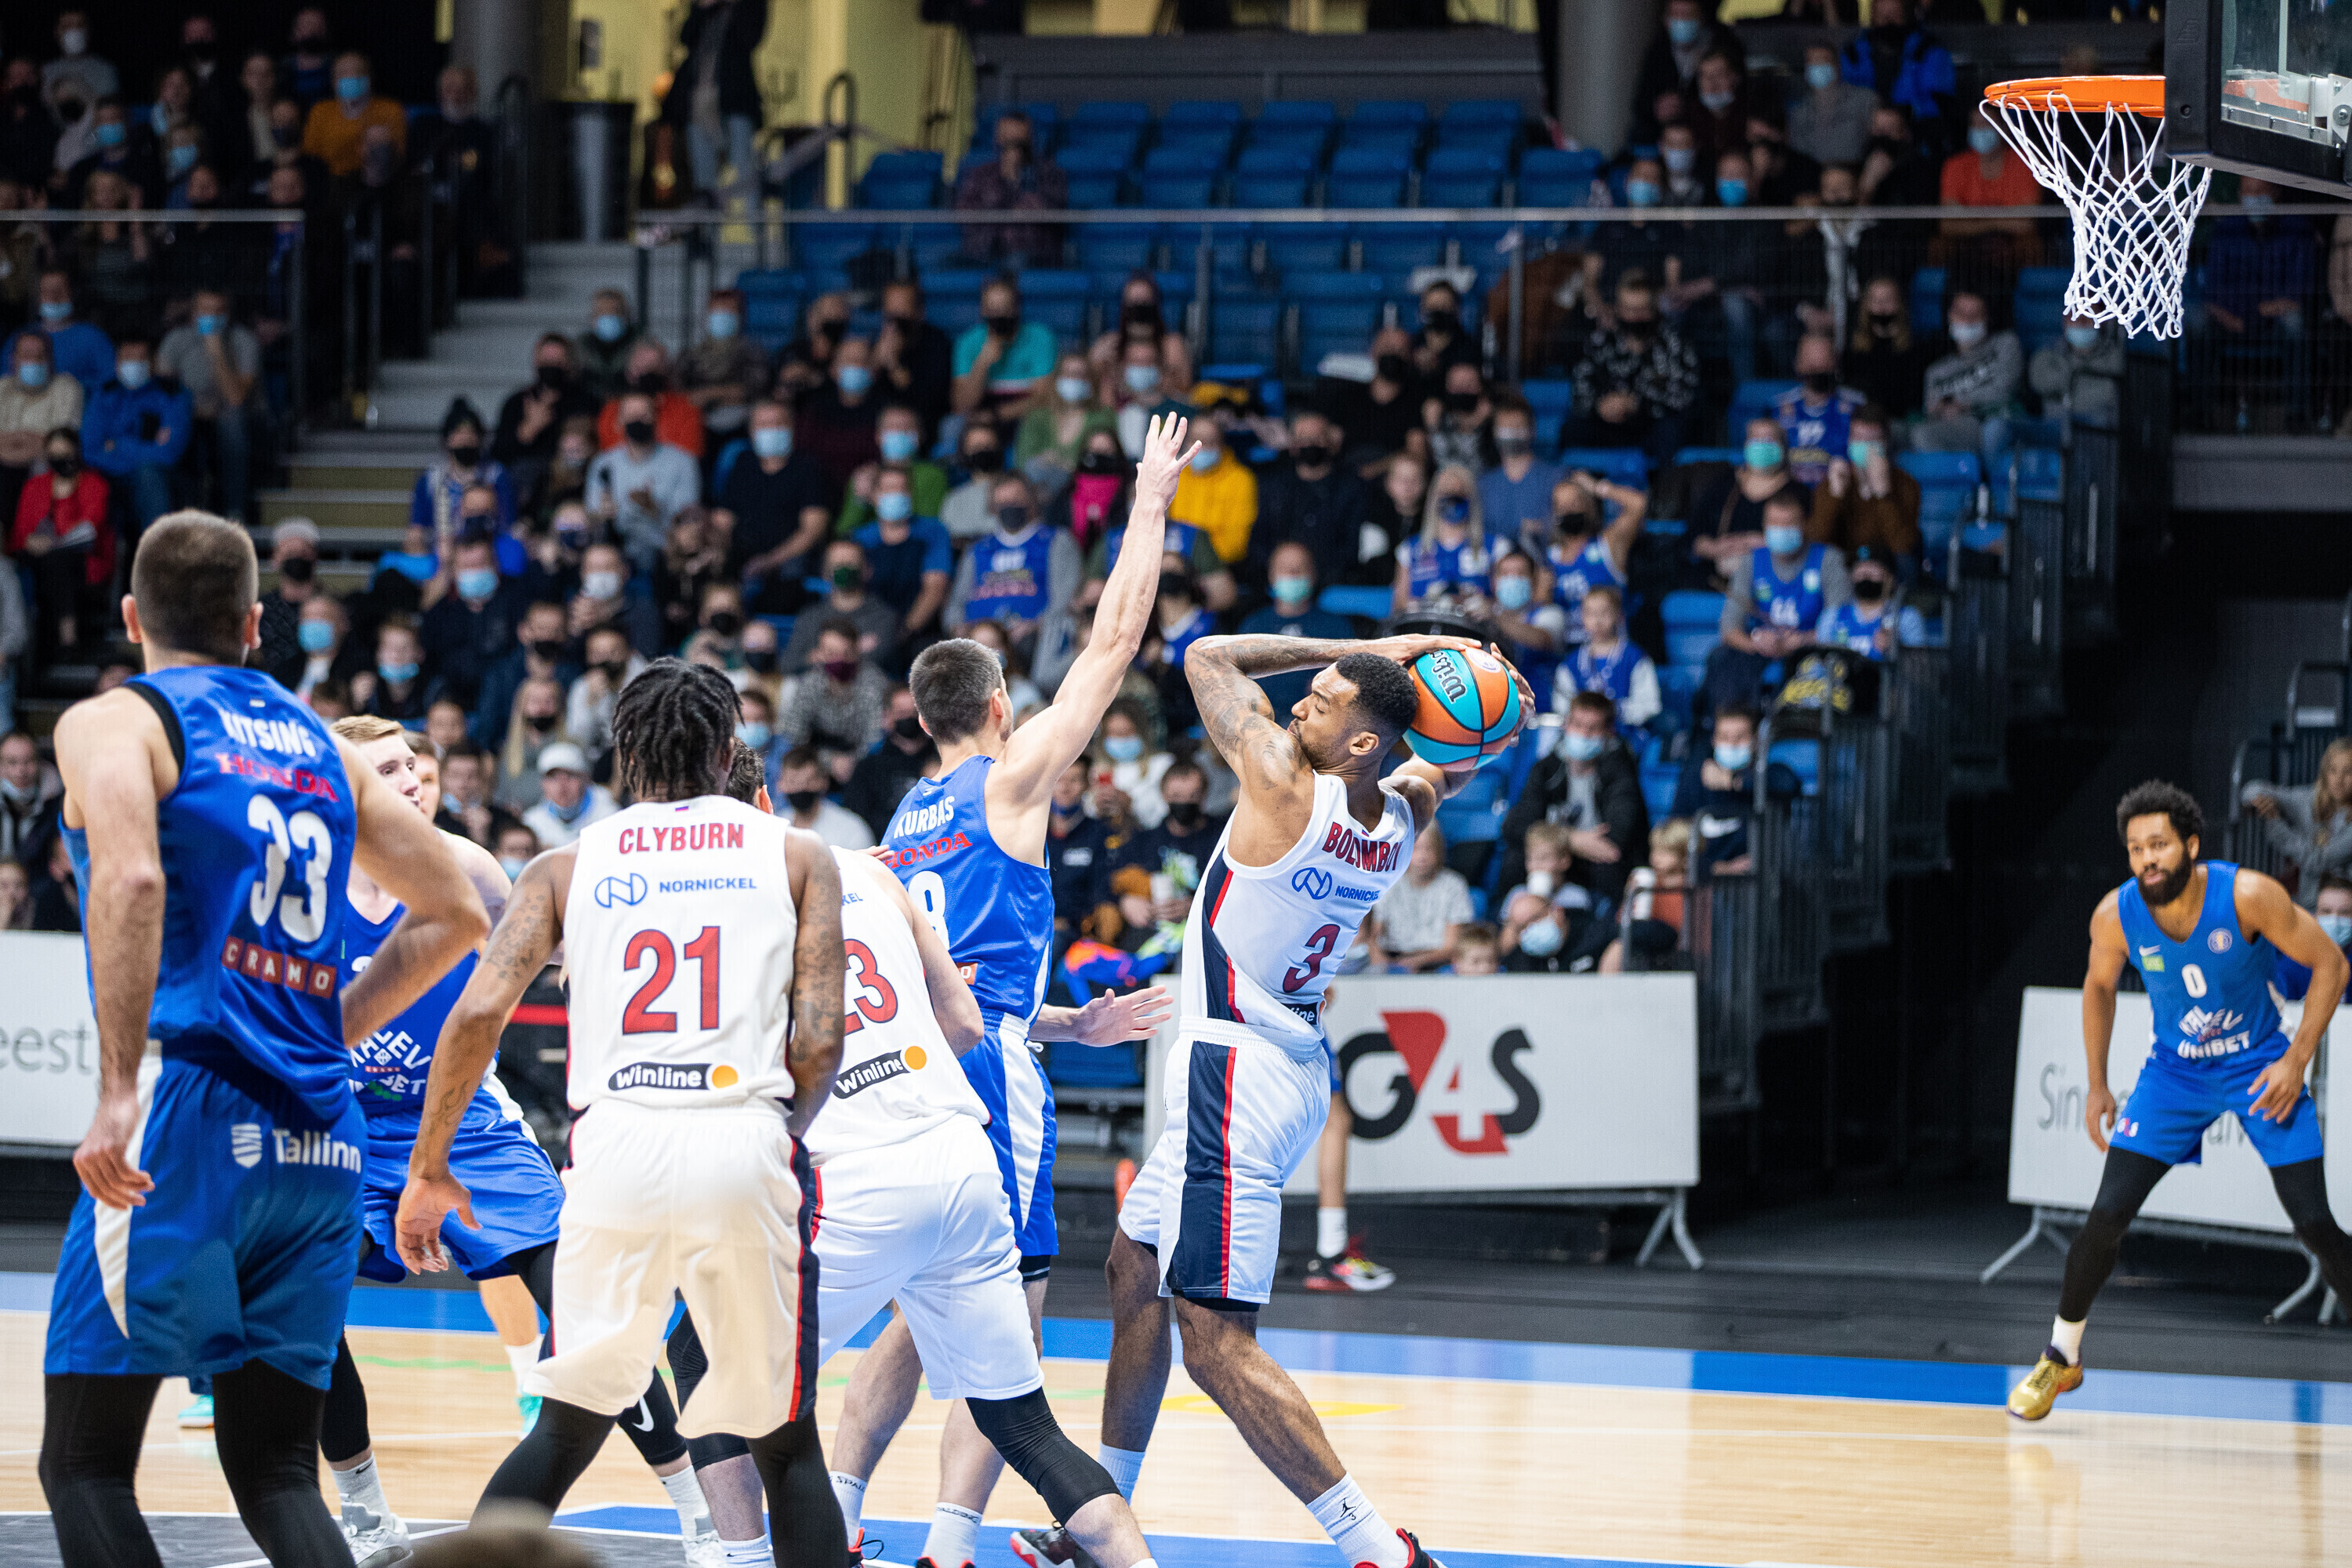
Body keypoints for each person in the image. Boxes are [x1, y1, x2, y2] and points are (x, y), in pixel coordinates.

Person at [38, 511, 486, 1568]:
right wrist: (331, 1030)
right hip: (324, 1133)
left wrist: (117, 1087)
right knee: (279, 1473)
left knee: (85, 1465)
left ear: (132, 616)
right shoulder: (323, 745)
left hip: (191, 1106)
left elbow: (131, 877)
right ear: (252, 623)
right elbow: (458, 909)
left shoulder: (118, 721)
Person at [1029, 623, 1512, 1568]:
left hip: (1235, 1073)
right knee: (1134, 1267)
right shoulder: (1398, 817)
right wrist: (1491, 721)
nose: (1299, 705)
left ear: (1361, 741)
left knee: (1215, 1338)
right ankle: (1100, 1519)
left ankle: (1382, 1549)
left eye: (1322, 701)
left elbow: (1206, 655)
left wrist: (1388, 643)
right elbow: (1445, 767)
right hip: (1281, 1065)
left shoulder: (1285, 785)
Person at [833, 416, 1202, 1563]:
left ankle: (835, 1517)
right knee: (1009, 1325)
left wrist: (1066, 1019)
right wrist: (1148, 503)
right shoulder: (1009, 782)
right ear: (999, 708)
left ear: (919, 717)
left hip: (905, 1066)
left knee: (917, 1311)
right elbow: (1115, 642)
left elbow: (945, 977)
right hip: (987, 1078)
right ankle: (951, 1542)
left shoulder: (902, 820)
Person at [394, 659, 849, 1565]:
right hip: (739, 1132)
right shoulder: (798, 853)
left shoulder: (565, 864)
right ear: (726, 751)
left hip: (614, 1147)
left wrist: (429, 1165)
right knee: (786, 1439)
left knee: (566, 1423)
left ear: (624, 753)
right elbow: (823, 1033)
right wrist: (778, 1127)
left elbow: (476, 1015)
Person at [318, 718, 717, 1565]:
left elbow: (564, 949)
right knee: (298, 1308)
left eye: (412, 765)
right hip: (350, 1130)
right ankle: (365, 1512)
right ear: (341, 784)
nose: (410, 780)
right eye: (386, 769)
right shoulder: (308, 884)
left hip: (468, 1127)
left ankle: (701, 1515)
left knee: (591, 1318)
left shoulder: (468, 867)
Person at [2008, 782, 2352, 1421]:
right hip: (2176, 1074)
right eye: (2136, 848)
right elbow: (2099, 986)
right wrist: (2097, 1082)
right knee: (2107, 1213)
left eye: (2159, 845)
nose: (2148, 859)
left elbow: (2331, 964)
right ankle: (2061, 1356)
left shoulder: (2247, 895)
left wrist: (2295, 1059)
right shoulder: (2115, 915)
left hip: (2256, 1065)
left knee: (2314, 1224)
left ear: (2191, 845)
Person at [1705, 489, 1851, 713]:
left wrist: (1802, 641)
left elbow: (1843, 624)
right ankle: (1735, 725)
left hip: (1812, 651)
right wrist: (1757, 642)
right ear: (1764, 526)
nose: (1781, 531)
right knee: (1722, 659)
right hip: (1761, 651)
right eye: (1775, 524)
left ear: (1804, 524)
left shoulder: (1828, 560)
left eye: (1788, 524)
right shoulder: (1751, 561)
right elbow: (1729, 628)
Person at [154, 289, 260, 524]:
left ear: (228, 315)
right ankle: (184, 515)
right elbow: (161, 392)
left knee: (232, 422)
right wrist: (191, 411)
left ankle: (235, 511)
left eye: (218, 311)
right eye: (205, 310)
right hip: (188, 414)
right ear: (194, 313)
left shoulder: (243, 341)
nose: (211, 316)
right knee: (174, 429)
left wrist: (216, 351)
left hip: (233, 418)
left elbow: (235, 398)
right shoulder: (176, 340)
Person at [1567, 272, 1697, 461]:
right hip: (1607, 425)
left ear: (1654, 310)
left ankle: (1664, 480)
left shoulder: (1675, 345)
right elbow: (1579, 390)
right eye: (1628, 310)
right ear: (1618, 309)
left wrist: (1636, 404)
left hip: (1651, 427)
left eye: (1641, 310)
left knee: (1673, 430)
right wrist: (1600, 406)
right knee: (1573, 428)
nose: (1634, 318)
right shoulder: (1600, 343)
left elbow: (1683, 397)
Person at [946, 470, 1083, 643]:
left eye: (1016, 500)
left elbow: (1066, 598)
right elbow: (957, 602)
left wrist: (1037, 625)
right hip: (979, 639)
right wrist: (959, 628)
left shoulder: (1056, 540)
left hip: (1034, 639)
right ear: (993, 506)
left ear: (1030, 500)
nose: (1010, 507)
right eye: (1003, 502)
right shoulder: (978, 549)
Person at [13, 424, 112, 658]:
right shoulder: (34, 486)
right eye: (54, 455)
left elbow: (92, 527)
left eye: (66, 453)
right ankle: (59, 639)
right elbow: (19, 532)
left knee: (57, 560)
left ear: (77, 452)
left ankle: (65, 639)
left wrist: (53, 542)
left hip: (82, 559)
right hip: (36, 558)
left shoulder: (94, 484)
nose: (60, 460)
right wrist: (31, 541)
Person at [1670, 702, 1799, 880]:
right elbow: (1674, 834)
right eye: (1724, 737)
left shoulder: (1769, 775)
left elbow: (1788, 784)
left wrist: (1733, 781)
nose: (1731, 744)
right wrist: (1716, 868)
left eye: (1740, 737)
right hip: (1705, 880)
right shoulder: (1695, 778)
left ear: (1755, 741)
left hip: (1755, 882)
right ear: (1714, 740)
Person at [661, 0, 769, 205]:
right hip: (699, 98)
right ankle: (708, 223)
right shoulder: (705, 8)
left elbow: (750, 38)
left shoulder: (750, 6)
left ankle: (751, 222)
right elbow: (686, 37)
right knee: (704, 174)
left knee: (743, 165)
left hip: (735, 98)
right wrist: (704, 8)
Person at [79, 335, 188, 536]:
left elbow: (169, 454)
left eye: (141, 359)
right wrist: (145, 448)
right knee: (91, 481)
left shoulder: (173, 395)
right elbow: (89, 451)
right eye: (128, 358)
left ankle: (156, 551)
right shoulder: (103, 393)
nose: (134, 364)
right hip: (109, 478)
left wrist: (118, 446)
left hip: (154, 479)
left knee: (149, 475)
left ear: (153, 363)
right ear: (117, 363)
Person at [1936, 103, 2043, 300]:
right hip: (1967, 247)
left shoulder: (2024, 162)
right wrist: (2000, 220)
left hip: (2010, 248)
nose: (1980, 130)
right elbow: (1948, 225)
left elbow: (2025, 224)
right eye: (1975, 125)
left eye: (1986, 124)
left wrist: (1973, 219)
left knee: (2029, 245)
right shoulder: (1955, 166)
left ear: (2004, 128)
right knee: (1942, 246)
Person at [586, 390, 700, 572]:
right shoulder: (603, 463)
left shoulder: (683, 461)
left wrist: (653, 508)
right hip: (617, 550)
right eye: (632, 415)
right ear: (619, 421)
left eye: (644, 414)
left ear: (656, 418)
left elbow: (687, 519)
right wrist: (605, 514)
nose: (638, 420)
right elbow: (592, 514)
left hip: (666, 553)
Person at [1238, 542, 1353, 715]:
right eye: (1284, 568)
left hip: (1316, 718)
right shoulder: (1253, 625)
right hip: (1259, 718)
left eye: (1299, 568)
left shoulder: (1336, 627)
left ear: (1313, 575)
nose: (1292, 574)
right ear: (1271, 575)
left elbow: (1348, 679)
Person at [494, 335, 604, 512]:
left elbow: (599, 447)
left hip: (575, 479)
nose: (552, 365)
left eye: (558, 360)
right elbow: (498, 454)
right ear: (536, 362)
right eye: (547, 360)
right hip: (528, 484)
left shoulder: (587, 401)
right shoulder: (517, 402)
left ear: (569, 363)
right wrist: (528, 429)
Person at [1837, 0, 1956, 160]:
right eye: (1882, 17)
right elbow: (1845, 95)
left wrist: (1904, 115)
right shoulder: (1853, 53)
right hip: (1863, 130)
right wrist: (1871, 115)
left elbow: (1940, 100)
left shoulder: (1928, 49)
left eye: (1894, 15)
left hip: (1917, 133)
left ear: (1907, 15)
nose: (1888, 22)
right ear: (1872, 17)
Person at [1915, 292, 2024, 464]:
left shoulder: (2005, 344)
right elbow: (1931, 409)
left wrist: (1962, 403)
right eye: (1960, 313)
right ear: (1949, 316)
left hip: (1992, 422)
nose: (1967, 320)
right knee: (1920, 433)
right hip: (1956, 428)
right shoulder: (1936, 371)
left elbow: (2005, 390)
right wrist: (1941, 410)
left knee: (1994, 430)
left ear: (1987, 318)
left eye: (1975, 315)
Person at [2243, 739, 2352, 907]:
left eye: (2348, 772)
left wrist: (2276, 824)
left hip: (2346, 909)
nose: (2338, 779)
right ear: (2325, 772)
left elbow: (2317, 861)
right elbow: (2252, 789)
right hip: (2309, 905)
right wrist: (2260, 801)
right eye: (2333, 770)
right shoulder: (2308, 799)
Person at [1392, 463, 1511, 618]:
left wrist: (1487, 607)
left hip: (1475, 628)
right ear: (1434, 498)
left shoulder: (1496, 547)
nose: (1453, 499)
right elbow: (1399, 606)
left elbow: (1507, 608)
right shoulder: (1409, 550)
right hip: (1425, 627)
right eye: (1446, 492)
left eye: (1460, 492)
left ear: (1472, 498)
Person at [955, 107, 1069, 267]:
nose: (1012, 150)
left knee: (1016, 262)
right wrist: (1004, 182)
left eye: (1018, 143)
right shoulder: (981, 175)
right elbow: (965, 212)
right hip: (984, 251)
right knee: (946, 264)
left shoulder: (1049, 174)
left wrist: (1015, 179)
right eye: (1006, 142)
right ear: (997, 140)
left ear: (1030, 141)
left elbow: (1052, 209)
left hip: (1034, 253)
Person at [1811, 408, 1921, 565]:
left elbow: (1903, 546)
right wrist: (1835, 496)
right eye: (1859, 439)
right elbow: (1816, 541)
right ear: (1849, 441)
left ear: (1885, 443)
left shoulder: (1906, 484)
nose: (1865, 446)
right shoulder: (1834, 481)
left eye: (1872, 441)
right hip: (1843, 566)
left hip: (1887, 566)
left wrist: (1883, 495)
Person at [1370, 822, 1474, 973]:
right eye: (1416, 848)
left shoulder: (1454, 886)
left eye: (1429, 849)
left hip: (1438, 963)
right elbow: (1373, 937)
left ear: (1440, 851)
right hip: (1394, 960)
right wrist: (1382, 964)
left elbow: (1452, 946)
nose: (1422, 856)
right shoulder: (1388, 884)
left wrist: (1414, 963)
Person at [953, 275, 1061, 416]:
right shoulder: (968, 342)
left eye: (1005, 308)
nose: (1000, 316)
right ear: (982, 311)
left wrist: (997, 416)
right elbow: (962, 405)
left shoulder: (1040, 338)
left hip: (1026, 417)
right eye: (993, 310)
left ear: (1017, 307)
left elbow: (1043, 398)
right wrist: (982, 364)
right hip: (980, 418)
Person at [1556, 586, 1661, 730]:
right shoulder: (1571, 663)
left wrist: (1613, 711)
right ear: (1582, 617)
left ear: (1619, 615)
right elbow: (1562, 706)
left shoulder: (1635, 658)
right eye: (1591, 613)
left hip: (1625, 735)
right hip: (1584, 735)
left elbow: (1650, 705)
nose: (1597, 621)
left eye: (1604, 613)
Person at [1773, 333, 1866, 489]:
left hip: (1843, 491)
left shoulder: (1857, 408)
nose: (1818, 371)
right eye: (1812, 365)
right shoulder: (1778, 409)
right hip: (1790, 493)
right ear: (1797, 364)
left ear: (1836, 363)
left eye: (1824, 364)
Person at [846, 684, 938, 839]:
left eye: (915, 712)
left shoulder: (944, 759)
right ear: (887, 718)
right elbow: (857, 822)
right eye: (902, 712)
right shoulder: (868, 768)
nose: (910, 717)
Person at [1088, 270, 1193, 401]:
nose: (1139, 310)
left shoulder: (1172, 345)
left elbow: (1184, 389)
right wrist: (1096, 363)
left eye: (1144, 303)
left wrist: (1170, 371)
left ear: (1155, 305)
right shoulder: (1110, 343)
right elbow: (1091, 390)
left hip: (1160, 409)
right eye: (1133, 304)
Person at [873, 278, 955, 439]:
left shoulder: (937, 344)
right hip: (886, 428)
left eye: (902, 311)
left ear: (919, 312)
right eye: (891, 312)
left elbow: (929, 401)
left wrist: (894, 365)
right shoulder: (879, 341)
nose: (896, 321)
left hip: (926, 428)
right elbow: (861, 397)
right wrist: (875, 363)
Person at [1813, 544, 1926, 660]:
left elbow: (1920, 666)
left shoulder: (1906, 618)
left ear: (1890, 577)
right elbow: (1820, 662)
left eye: (1873, 566)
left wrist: (1897, 649)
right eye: (1859, 566)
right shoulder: (1831, 617)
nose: (1865, 571)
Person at [1842, 275, 1931, 420]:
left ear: (1899, 304)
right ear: (1866, 305)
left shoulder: (1915, 350)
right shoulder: (1854, 351)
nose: (1882, 307)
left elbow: (1914, 399)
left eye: (1888, 300)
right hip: (1864, 421)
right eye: (1876, 300)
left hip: (1899, 421)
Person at [1790, 42, 1877, 168]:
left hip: (1853, 172)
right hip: (1812, 176)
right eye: (1812, 62)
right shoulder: (1798, 112)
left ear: (1837, 66)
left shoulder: (1865, 100)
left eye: (1823, 61)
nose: (1817, 66)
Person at [2029, 314, 2126, 426]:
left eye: (2088, 317)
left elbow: (2110, 390)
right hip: (2059, 424)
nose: (2080, 322)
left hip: (2100, 426)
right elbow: (2040, 382)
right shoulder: (2049, 353)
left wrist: (2071, 399)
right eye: (2074, 316)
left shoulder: (2113, 356)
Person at [517, 740, 615, 849]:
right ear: (543, 784)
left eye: (570, 775)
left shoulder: (610, 817)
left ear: (585, 779)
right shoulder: (531, 823)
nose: (562, 785)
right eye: (553, 777)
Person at [772, 745, 875, 848]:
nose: (800, 788)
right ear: (780, 784)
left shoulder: (851, 829)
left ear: (823, 782)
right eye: (792, 782)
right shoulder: (775, 826)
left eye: (808, 782)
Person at [576, 288, 640, 403]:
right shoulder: (580, 346)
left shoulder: (640, 345)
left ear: (626, 316)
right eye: (602, 312)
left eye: (614, 311)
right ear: (593, 317)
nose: (608, 316)